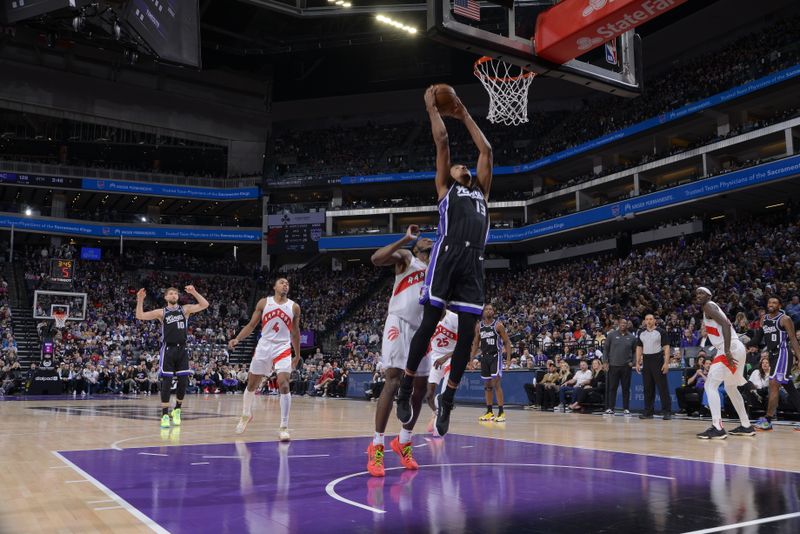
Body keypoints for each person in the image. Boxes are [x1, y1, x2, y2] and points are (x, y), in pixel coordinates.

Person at [396, 86, 493, 437]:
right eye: (457, 166)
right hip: (448, 252)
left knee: (468, 333)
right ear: (448, 175)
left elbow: (487, 150)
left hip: (474, 259)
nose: (462, 165)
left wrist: (465, 112)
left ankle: (448, 399)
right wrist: (431, 108)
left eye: (464, 165)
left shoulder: (482, 190)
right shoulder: (445, 189)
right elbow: (442, 143)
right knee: (430, 320)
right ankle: (406, 388)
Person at [366, 225, 433, 477]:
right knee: (393, 381)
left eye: (431, 239)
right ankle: (377, 445)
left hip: (423, 329)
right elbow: (376, 259)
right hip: (399, 322)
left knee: (420, 389)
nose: (429, 239)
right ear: (416, 247)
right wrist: (405, 239)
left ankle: (403, 441)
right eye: (424, 238)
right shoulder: (407, 257)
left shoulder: (436, 269)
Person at [229, 278, 301, 442]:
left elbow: (295, 333)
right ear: (274, 286)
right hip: (264, 346)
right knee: (252, 385)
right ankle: (246, 414)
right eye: (282, 282)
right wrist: (237, 339)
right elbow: (251, 325)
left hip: (282, 347)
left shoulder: (294, 307)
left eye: (288, 284)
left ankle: (284, 427)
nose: (285, 285)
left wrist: (297, 354)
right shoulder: (264, 303)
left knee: (283, 383)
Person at [136, 285, 209, 428]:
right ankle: (164, 415)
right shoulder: (162, 312)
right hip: (168, 349)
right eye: (171, 293)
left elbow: (205, 304)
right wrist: (140, 300)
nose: (174, 295)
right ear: (166, 297)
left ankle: (177, 410)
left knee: (183, 381)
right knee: (167, 382)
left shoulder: (185, 309)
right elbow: (140, 316)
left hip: (182, 349)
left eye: (176, 293)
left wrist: (194, 292)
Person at [694, 287, 755, 439]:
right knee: (731, 387)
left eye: (702, 293)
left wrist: (727, 351)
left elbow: (726, 326)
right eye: (697, 293)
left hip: (730, 349)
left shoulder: (709, 306)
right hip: (736, 348)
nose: (698, 295)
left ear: (709, 295)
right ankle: (746, 425)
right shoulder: (710, 308)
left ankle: (717, 427)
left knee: (710, 385)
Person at [747, 296, 800, 431]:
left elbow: (793, 340)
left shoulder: (785, 319)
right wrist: (744, 344)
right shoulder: (764, 319)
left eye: (774, 302)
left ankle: (768, 420)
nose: (771, 304)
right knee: (789, 387)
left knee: (773, 384)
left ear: (780, 305)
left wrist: (799, 357)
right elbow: (758, 338)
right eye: (769, 302)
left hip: (783, 354)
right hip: (772, 355)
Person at [471, 304, 512, 422]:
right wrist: (471, 360)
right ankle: (489, 412)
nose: (489, 311)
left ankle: (501, 412)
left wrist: (508, 360)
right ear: (483, 312)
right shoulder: (479, 326)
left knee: (496, 384)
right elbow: (475, 344)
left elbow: (507, 342)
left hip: (496, 356)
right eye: (487, 309)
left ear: (493, 312)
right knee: (487, 385)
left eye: (491, 309)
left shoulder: (498, 325)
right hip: (484, 357)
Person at [424, 310, 459, 432]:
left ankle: (442, 418)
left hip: (450, 359)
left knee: (444, 397)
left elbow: (463, 344)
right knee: (429, 395)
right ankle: (437, 413)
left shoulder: (454, 317)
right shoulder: (429, 318)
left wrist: (445, 357)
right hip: (435, 360)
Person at [635, 314, 673, 420]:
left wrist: (666, 363)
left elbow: (666, 348)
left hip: (658, 359)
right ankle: (648, 412)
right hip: (646, 360)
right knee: (648, 388)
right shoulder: (641, 333)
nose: (649, 321)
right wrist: (637, 362)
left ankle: (667, 412)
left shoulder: (661, 332)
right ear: (644, 321)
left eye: (651, 319)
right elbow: (639, 348)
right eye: (647, 319)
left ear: (654, 320)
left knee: (662, 387)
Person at [603, 319, 637, 415]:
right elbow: (606, 349)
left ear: (628, 325)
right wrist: (605, 361)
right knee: (612, 388)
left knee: (626, 388)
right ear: (618, 324)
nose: (623, 325)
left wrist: (633, 362)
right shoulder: (611, 335)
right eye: (622, 323)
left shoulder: (632, 337)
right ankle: (610, 408)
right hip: (613, 366)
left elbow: (635, 351)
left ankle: (626, 408)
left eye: (625, 323)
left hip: (626, 366)